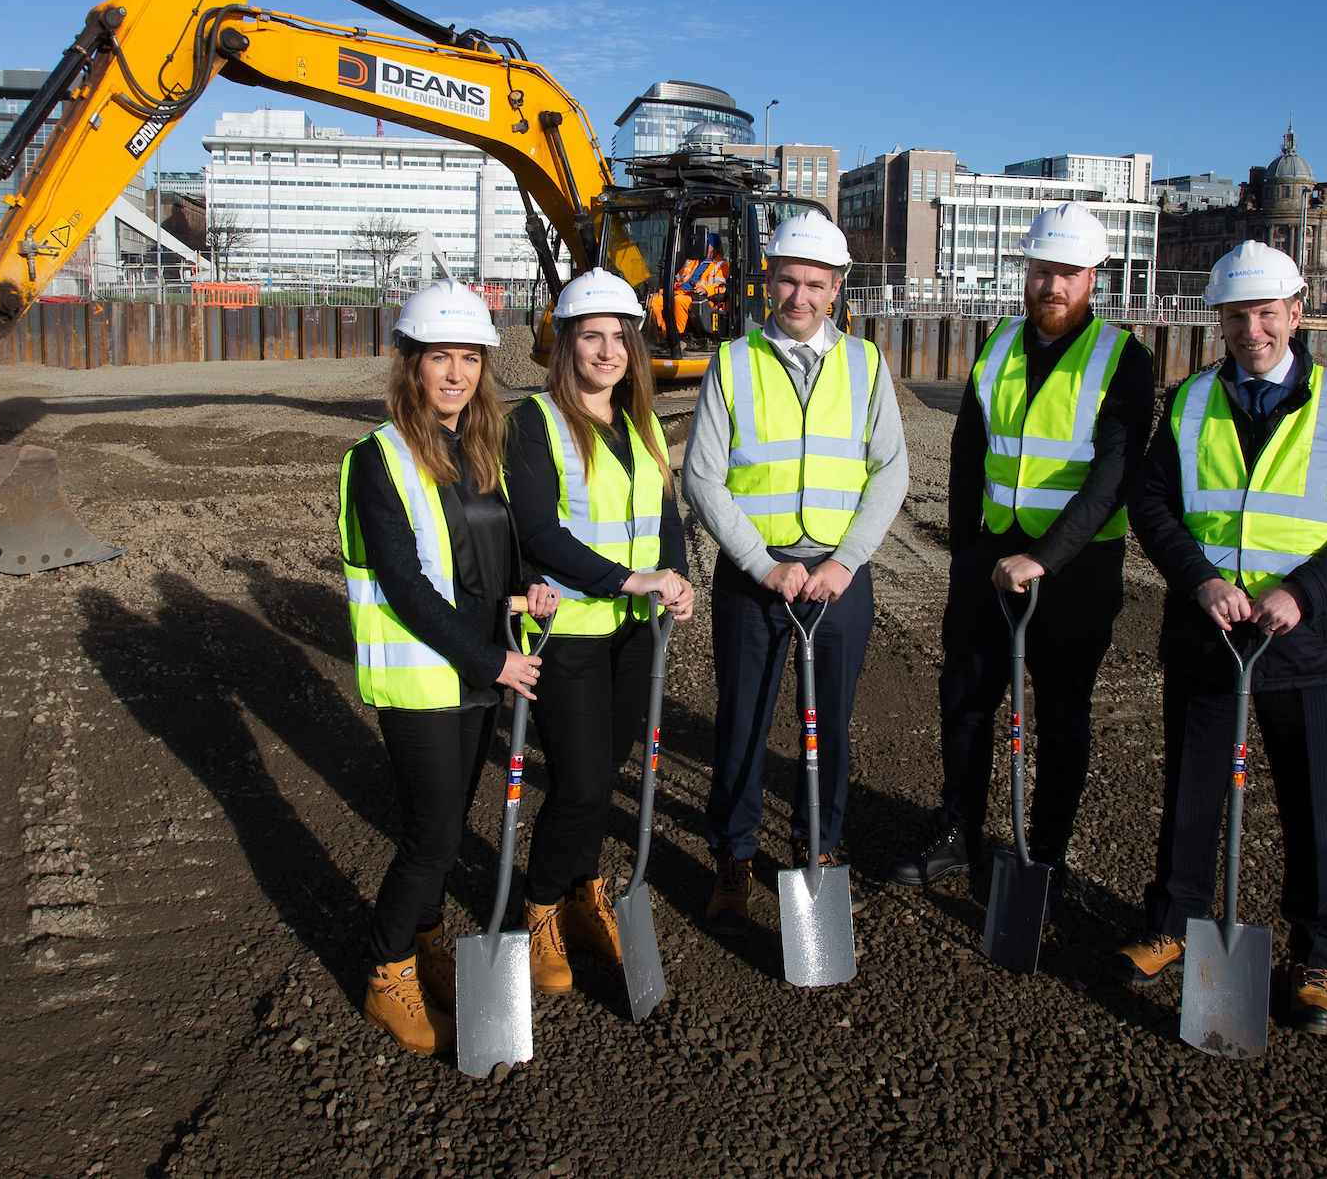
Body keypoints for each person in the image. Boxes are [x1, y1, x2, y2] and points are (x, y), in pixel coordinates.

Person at [1107, 240, 1327, 1036]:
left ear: (1296, 312)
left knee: (1314, 809)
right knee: (1190, 792)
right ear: (1220, 321)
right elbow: (1152, 505)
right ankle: (1172, 922)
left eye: (1266, 313)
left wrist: (1301, 593)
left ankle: (1316, 959)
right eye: (1237, 316)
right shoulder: (1190, 401)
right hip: (1208, 635)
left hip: (1303, 647)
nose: (1252, 330)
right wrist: (1200, 578)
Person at [884, 203, 1161, 927]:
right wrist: (966, 545)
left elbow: (1112, 478)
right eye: (1040, 271)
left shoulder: (1122, 358)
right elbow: (970, 446)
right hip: (991, 556)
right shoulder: (999, 344)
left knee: (1063, 715)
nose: (1050, 285)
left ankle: (1046, 853)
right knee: (966, 699)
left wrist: (1042, 558)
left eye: (1066, 273)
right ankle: (959, 831)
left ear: (1092, 278)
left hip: (1075, 569)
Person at [340, 280, 560, 1056]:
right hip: (426, 679)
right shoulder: (378, 458)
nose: (459, 372)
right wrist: (490, 658)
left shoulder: (479, 450)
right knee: (431, 838)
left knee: (449, 824)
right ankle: (385, 971)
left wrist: (525, 588)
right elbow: (406, 583)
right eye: (442, 356)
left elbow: (486, 556)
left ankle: (426, 938)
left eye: (471, 356)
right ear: (411, 364)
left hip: (479, 674)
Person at [681, 211, 909, 938]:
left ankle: (818, 847)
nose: (801, 295)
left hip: (838, 580)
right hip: (755, 579)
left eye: (816, 283)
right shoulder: (734, 361)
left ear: (837, 288)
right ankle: (733, 858)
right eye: (788, 279)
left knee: (829, 729)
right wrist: (762, 564)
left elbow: (890, 471)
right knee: (742, 722)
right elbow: (704, 477)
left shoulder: (867, 364)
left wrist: (845, 561)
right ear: (768, 279)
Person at [503, 269, 696, 995]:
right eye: (593, 335)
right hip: (568, 634)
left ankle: (585, 890)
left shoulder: (640, 421)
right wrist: (627, 579)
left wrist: (673, 576)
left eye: (620, 336)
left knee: (604, 775)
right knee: (580, 784)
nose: (608, 349)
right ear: (566, 344)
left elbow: (665, 517)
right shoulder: (533, 422)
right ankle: (540, 909)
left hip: (635, 631)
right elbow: (539, 528)